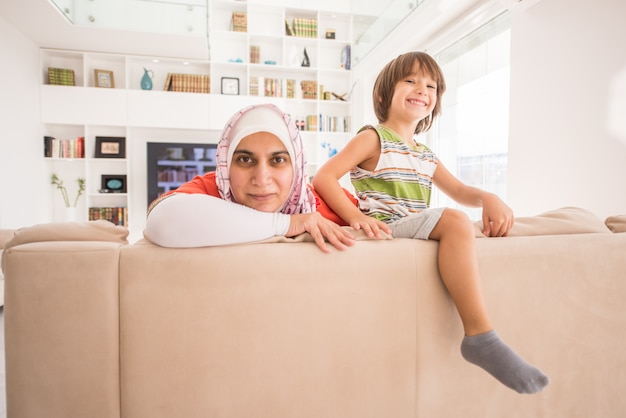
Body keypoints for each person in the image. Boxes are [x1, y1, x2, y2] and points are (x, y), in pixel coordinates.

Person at [312, 51, 549, 394]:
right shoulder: (373, 137)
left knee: (457, 219)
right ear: (383, 94)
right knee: (454, 220)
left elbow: (458, 189)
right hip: (387, 225)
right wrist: (356, 217)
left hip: (413, 225)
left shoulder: (425, 154)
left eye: (431, 85)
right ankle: (481, 337)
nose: (421, 88)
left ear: (435, 101)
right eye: (410, 80)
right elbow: (324, 177)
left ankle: (482, 337)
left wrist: (488, 199)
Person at [144, 103, 356, 253]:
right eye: (245, 160)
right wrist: (287, 224)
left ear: (297, 166)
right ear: (226, 164)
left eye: (278, 160)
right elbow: (161, 222)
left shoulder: (331, 201)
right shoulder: (211, 189)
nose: (262, 179)